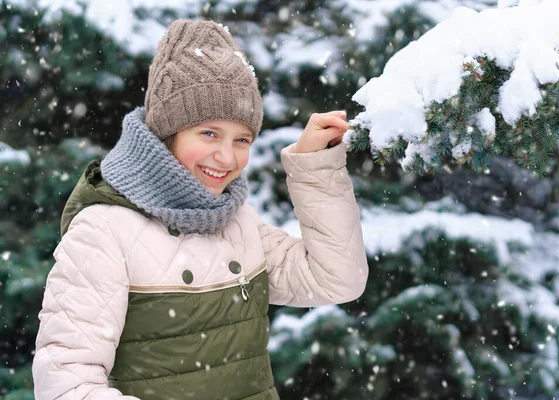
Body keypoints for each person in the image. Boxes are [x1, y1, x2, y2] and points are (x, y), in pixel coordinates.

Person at [32, 19, 368, 400]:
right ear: (167, 132)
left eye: (242, 139)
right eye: (209, 133)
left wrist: (315, 168)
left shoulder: (236, 221)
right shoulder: (104, 230)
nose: (226, 157)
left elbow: (339, 277)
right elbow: (66, 385)